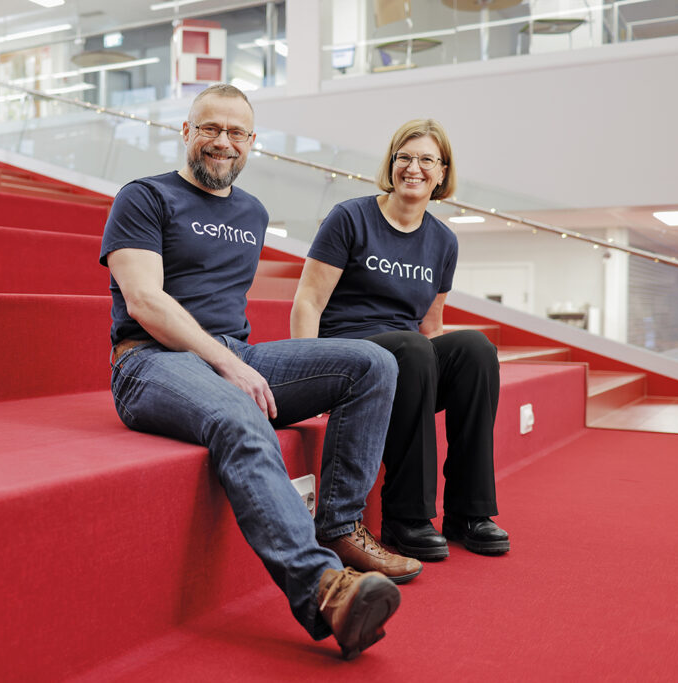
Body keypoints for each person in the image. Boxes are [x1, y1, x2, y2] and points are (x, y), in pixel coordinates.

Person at [100, 84, 421, 659]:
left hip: (234, 352)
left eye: (236, 132)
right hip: (150, 361)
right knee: (238, 411)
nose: (223, 142)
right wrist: (225, 364)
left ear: (252, 142)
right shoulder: (144, 197)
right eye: (210, 128)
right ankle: (323, 592)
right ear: (186, 132)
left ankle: (340, 526)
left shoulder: (253, 212)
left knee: (373, 362)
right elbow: (145, 302)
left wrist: (237, 359)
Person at [290, 119, 509, 563]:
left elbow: (432, 325)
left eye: (427, 159)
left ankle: (470, 512)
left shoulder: (443, 241)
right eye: (404, 157)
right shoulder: (351, 217)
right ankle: (405, 516)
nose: (414, 168)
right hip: (351, 357)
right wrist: (309, 375)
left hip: (410, 363)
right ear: (390, 165)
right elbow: (308, 302)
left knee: (476, 350)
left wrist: (443, 368)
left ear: (443, 172)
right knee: (413, 349)